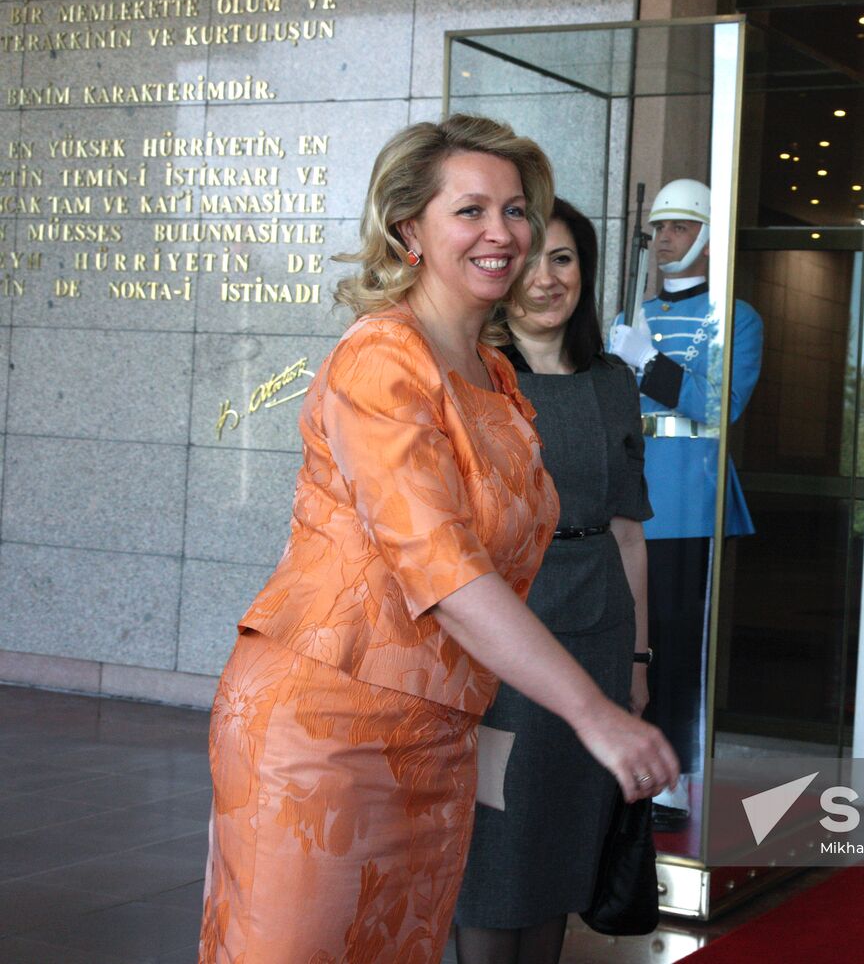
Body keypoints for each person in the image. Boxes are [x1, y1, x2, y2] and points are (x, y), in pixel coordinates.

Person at [198, 115, 678, 964]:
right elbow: (444, 570)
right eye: (471, 210)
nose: (503, 233)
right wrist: (593, 713)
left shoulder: (493, 375)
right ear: (408, 229)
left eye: (516, 210)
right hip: (325, 724)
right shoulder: (382, 359)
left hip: (440, 728)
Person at [452, 198, 654, 964]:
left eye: (563, 259)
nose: (546, 278)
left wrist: (638, 661)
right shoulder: (472, 377)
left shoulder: (613, 382)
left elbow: (629, 533)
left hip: (598, 631)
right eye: (530, 260)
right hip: (502, 635)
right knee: (496, 840)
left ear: (585, 272)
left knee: (562, 840)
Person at [608, 178, 764, 829]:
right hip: (629, 493)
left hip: (688, 496)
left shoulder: (735, 317)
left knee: (676, 642)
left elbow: (721, 405)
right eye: (659, 228)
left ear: (705, 236)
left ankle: (676, 777)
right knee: (624, 639)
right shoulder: (630, 316)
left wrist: (648, 364)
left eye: (678, 227)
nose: (664, 239)